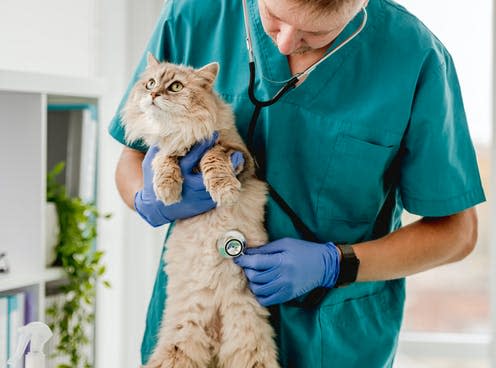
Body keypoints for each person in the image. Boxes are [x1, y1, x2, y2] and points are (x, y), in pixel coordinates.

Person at [109, 0, 486, 366]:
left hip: (333, 344)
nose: (285, 42)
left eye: (316, 32)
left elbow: (456, 232)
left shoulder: (413, 55)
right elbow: (131, 158)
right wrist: (150, 200)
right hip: (193, 321)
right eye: (272, 16)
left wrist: (335, 264)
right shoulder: (194, 14)